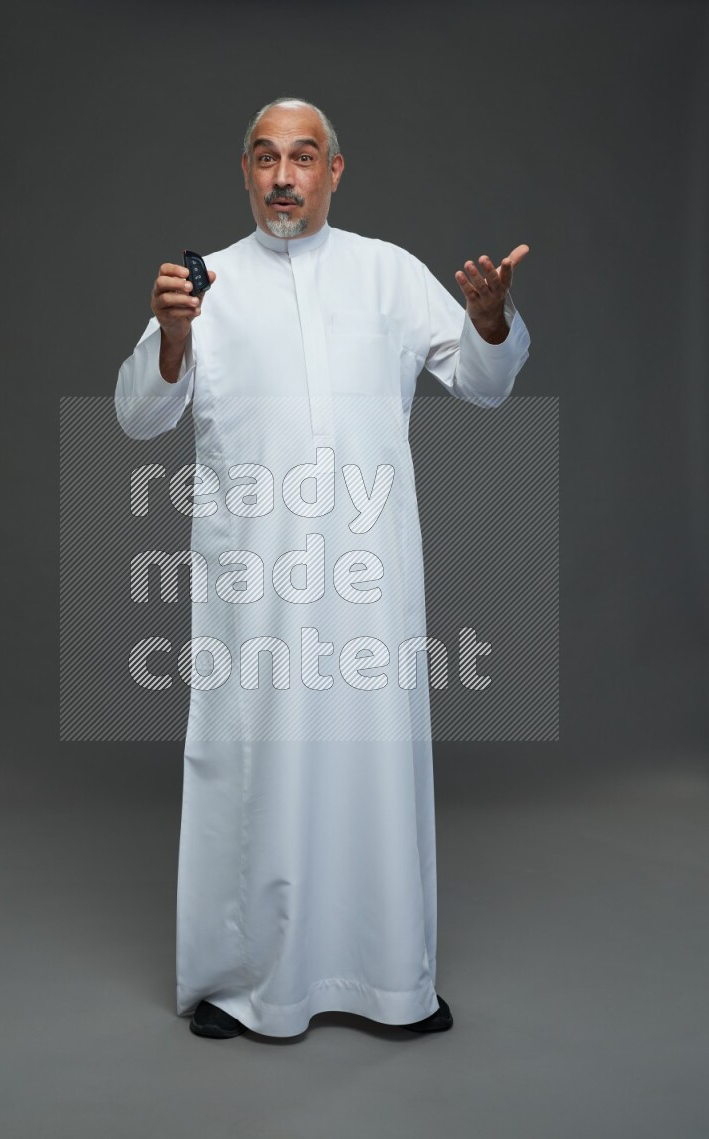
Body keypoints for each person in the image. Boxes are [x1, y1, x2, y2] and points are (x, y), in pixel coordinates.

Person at [115, 97, 530, 1040]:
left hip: (367, 579)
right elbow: (139, 416)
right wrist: (172, 336)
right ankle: (242, 979)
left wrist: (492, 322)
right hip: (253, 582)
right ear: (247, 173)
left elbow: (482, 382)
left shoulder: (386, 274)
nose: (284, 177)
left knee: (370, 762)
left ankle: (389, 980)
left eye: (303, 158)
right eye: (265, 159)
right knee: (252, 761)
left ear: (335, 171)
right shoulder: (205, 282)